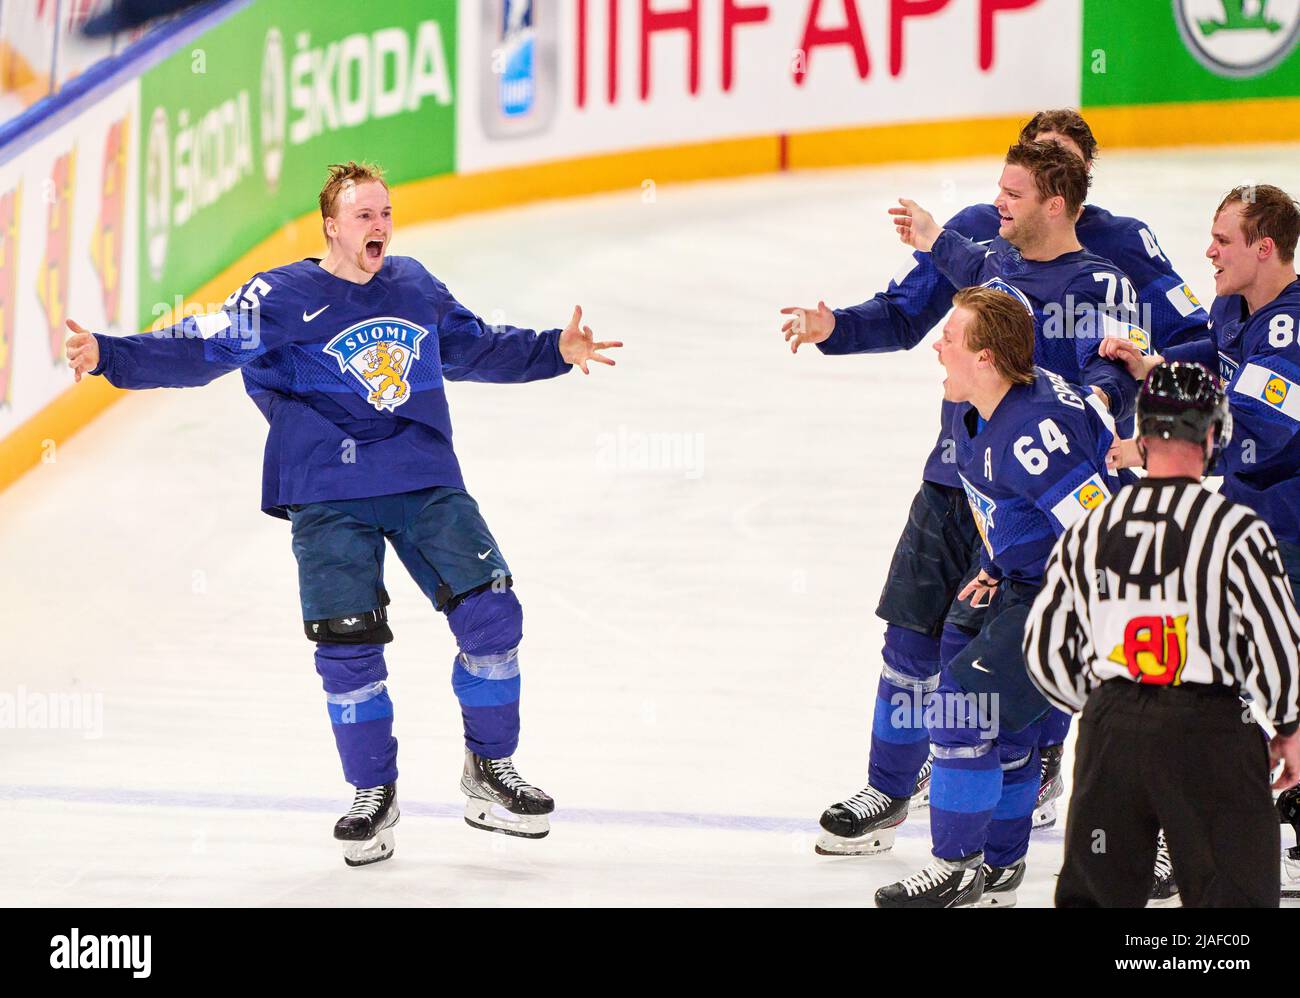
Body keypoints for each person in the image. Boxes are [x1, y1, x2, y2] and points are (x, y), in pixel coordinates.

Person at [64, 161, 622, 867]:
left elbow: (472, 346)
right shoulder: (278, 296)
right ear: (331, 225)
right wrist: (110, 354)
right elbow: (202, 348)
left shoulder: (413, 284)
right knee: (348, 644)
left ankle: (489, 772)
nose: (380, 226)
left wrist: (553, 351)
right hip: (326, 484)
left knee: (493, 616)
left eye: (386, 214)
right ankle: (373, 792)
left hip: (420, 474)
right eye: (365, 216)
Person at [783, 135, 1147, 858]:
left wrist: (1086, 406)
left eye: (1013, 192)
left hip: (1033, 500)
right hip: (953, 484)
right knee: (910, 636)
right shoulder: (983, 247)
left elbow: (1117, 379)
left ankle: (1011, 813)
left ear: (1059, 197)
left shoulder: (1105, 281)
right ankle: (889, 789)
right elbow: (908, 307)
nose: (997, 202)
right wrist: (835, 328)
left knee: (1009, 671)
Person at [873, 286, 1126, 908]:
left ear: (985, 357)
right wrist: (995, 562)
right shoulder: (984, 405)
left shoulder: (1033, 433)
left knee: (963, 703)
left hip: (1064, 594)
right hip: (1021, 581)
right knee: (1009, 733)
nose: (938, 346)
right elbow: (1016, 510)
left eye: (951, 340)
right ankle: (1004, 869)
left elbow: (1100, 533)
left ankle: (956, 866)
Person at [1025, 362, 1300, 907]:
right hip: (1209, 732)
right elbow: (1277, 639)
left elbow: (1045, 648)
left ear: (1142, 436)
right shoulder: (1235, 528)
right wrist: (1290, 727)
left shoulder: (1092, 527)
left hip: (1111, 734)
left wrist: (1107, 706)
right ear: (1215, 435)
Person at [1103, 184, 1300, 596]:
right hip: (1248, 509)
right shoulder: (1234, 303)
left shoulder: (1290, 332)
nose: (1210, 252)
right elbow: (1220, 350)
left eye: (1223, 241)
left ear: (1264, 248)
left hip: (1289, 527)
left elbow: (1253, 428)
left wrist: (1149, 451)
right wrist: (1149, 365)